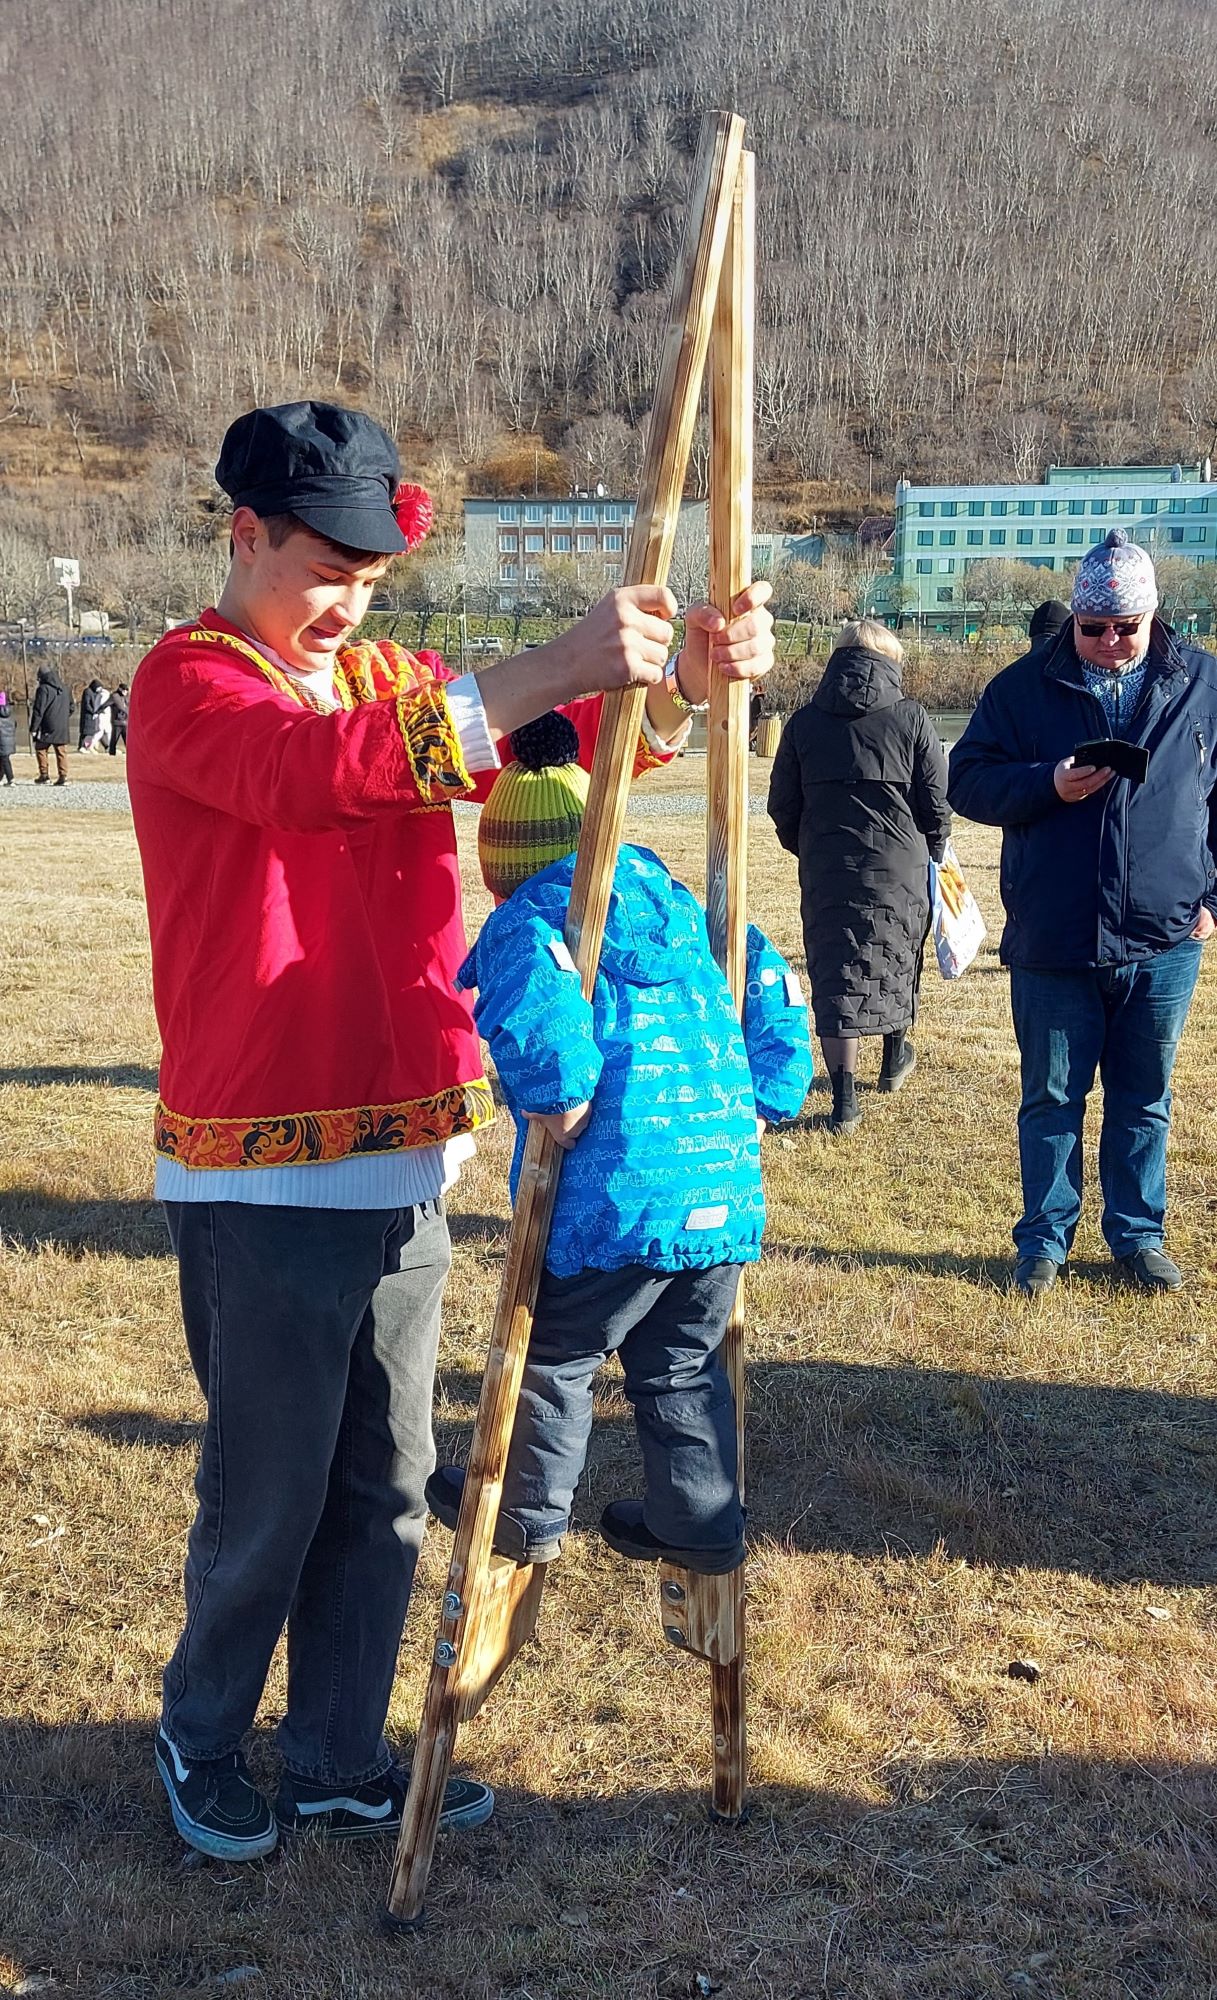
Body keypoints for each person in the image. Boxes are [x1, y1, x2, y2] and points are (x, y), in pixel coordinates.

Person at [125, 399, 776, 1863]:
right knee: (270, 1488)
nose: (348, 599)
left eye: (369, 574)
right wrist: (561, 658)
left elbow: (571, 748)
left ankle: (342, 1751)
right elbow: (324, 777)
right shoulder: (186, 685)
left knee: (392, 1483)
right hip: (258, 1171)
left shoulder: (385, 671)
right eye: (324, 567)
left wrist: (680, 683)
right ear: (246, 535)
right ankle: (206, 1731)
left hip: (409, 1156)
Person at [426, 711, 813, 1572]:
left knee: (557, 1354)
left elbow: (551, 1058)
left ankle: (526, 1512)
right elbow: (775, 987)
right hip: (721, 1194)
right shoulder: (689, 910)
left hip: (617, 1198)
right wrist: (763, 1100)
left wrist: (556, 1109)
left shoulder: (531, 923)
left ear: (510, 870)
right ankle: (698, 1521)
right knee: (679, 1361)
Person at [948, 529, 1216, 1297]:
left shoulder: (1201, 683)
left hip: (1163, 940)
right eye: (1091, 627)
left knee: (1143, 1098)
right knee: (1052, 1099)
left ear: (1153, 615)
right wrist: (1044, 783)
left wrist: (1213, 898)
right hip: (1054, 936)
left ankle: (1137, 1236)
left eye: (1122, 628)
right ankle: (1043, 1241)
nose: (1106, 641)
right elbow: (965, 781)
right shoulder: (1019, 687)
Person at [766, 619, 951, 1135]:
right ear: (891, 663)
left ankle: (844, 1099)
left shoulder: (803, 723)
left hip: (828, 866)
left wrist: (807, 848)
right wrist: (933, 850)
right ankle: (893, 1059)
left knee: (836, 972)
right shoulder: (912, 718)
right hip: (900, 865)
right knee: (895, 956)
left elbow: (782, 804)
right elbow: (936, 802)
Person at [29, 664, 71, 784]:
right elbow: (71, 707)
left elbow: (39, 710)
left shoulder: (43, 689)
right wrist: (63, 716)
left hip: (47, 725)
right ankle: (63, 776)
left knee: (41, 748)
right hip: (62, 725)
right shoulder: (65, 688)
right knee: (61, 751)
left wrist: (34, 728)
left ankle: (44, 775)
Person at [79, 678, 109, 753]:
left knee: (93, 732)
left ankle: (89, 746)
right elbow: (87, 704)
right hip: (88, 715)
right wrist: (93, 712)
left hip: (93, 715)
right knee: (86, 732)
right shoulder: (87, 692)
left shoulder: (95, 693)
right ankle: (82, 746)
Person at [106, 682, 130, 755]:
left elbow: (129, 706)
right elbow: (106, 704)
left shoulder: (126, 697)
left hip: (125, 721)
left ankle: (130, 753)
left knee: (127, 739)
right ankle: (112, 752)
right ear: (120, 689)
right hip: (117, 721)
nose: (125, 692)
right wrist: (97, 711)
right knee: (114, 739)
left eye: (126, 691)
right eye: (124, 690)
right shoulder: (114, 696)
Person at [0, 688, 15, 785]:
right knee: (3, 759)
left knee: (4, 760)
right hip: (9, 741)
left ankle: (11, 778)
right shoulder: (10, 714)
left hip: (1, 740)